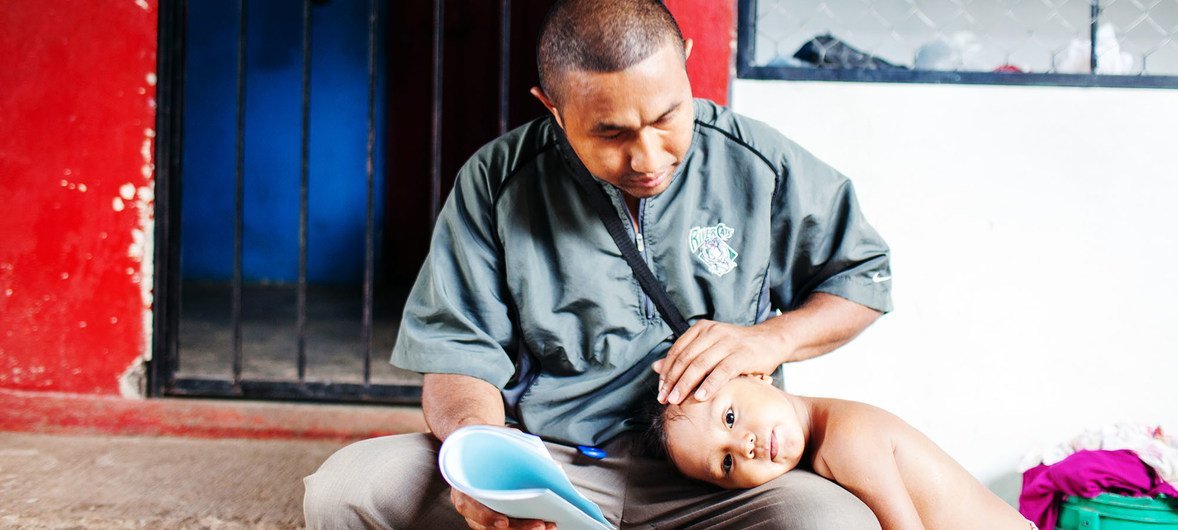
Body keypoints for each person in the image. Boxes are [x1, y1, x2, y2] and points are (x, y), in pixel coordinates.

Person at [303, 0, 893, 528]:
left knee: (833, 521)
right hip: (548, 466)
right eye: (611, 133)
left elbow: (861, 279)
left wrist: (771, 340)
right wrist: (482, 455)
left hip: (720, 481)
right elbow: (457, 355)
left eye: (666, 117)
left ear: (684, 61)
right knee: (347, 490)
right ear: (553, 108)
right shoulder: (496, 182)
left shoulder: (758, 164)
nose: (648, 158)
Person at [645, 375, 1035, 530]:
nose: (744, 447)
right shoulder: (824, 433)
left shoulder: (845, 441)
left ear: (756, 373)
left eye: (730, 417)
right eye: (726, 463)